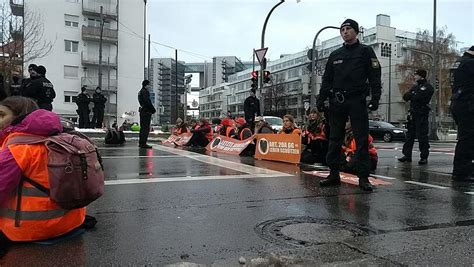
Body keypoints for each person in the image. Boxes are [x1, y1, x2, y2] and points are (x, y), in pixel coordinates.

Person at [0, 96, 87, 253]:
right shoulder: (56, 142)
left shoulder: (17, 150)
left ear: (19, 118)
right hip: (71, 223)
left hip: (30, 229)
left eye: (1, 115)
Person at [316, 18, 382, 191]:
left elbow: (375, 76)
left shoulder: (366, 52)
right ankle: (333, 174)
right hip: (337, 101)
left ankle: (363, 178)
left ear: (356, 31)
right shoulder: (335, 54)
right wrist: (321, 99)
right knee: (334, 139)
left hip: (357, 101)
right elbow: (327, 79)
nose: (345, 31)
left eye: (348, 28)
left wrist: (375, 98)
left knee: (361, 140)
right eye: (342, 29)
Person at [398, 69, 434, 165]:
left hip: (421, 115)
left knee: (422, 137)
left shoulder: (428, 87)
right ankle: (407, 155)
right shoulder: (415, 87)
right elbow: (405, 96)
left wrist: (413, 95)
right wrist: (414, 94)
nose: (414, 77)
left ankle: (424, 157)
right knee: (410, 136)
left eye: (416, 75)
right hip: (413, 114)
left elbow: (419, 97)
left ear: (421, 76)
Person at [450, 46, 474, 182]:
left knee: (466, 138)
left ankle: (464, 170)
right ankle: (462, 172)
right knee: (467, 139)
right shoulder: (470, 63)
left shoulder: (461, 61)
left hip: (459, 103)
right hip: (467, 104)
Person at [138, 80, 156, 148]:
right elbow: (147, 102)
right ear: (146, 85)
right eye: (149, 85)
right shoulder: (145, 92)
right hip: (146, 111)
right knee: (145, 128)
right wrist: (153, 109)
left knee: (142, 128)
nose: (149, 86)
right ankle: (143, 143)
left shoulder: (140, 92)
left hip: (142, 111)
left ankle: (141, 142)